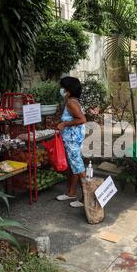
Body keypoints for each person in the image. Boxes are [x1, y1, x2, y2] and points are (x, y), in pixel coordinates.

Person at [55, 77, 87, 208]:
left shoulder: (71, 103)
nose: (60, 89)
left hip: (73, 140)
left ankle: (87, 197)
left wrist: (64, 123)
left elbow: (82, 119)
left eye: (62, 87)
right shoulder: (72, 100)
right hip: (74, 138)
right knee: (75, 166)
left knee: (78, 167)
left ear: (68, 90)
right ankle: (72, 192)